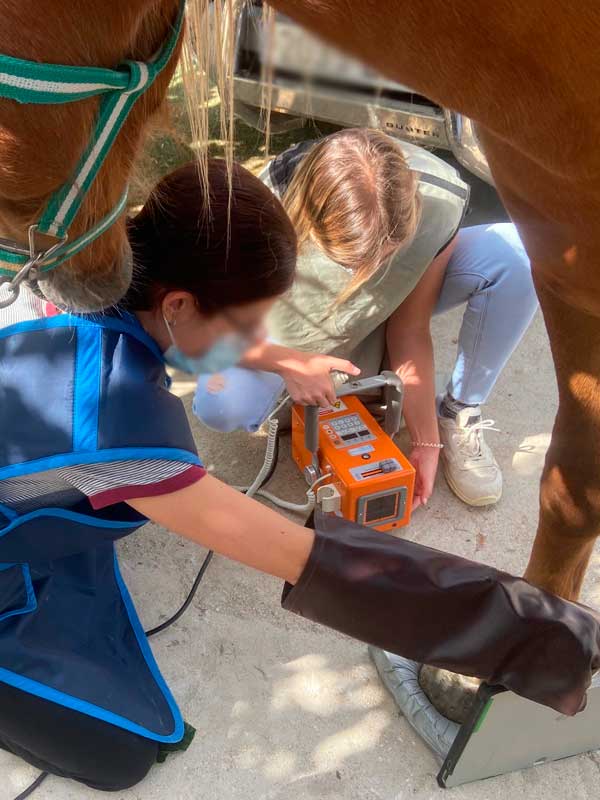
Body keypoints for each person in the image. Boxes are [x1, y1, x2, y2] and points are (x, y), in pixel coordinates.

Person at [0, 159, 597, 795]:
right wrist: (540, 631)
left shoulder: (85, 266)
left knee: (102, 519)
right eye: (251, 325)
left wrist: (286, 359)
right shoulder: (118, 426)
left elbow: (200, 335)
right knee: (120, 758)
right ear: (177, 303)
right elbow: (305, 558)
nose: (260, 343)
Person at [193, 129, 538, 509]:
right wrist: (285, 362)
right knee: (222, 404)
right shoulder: (255, 208)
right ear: (310, 216)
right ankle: (324, 379)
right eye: (352, 262)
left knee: (518, 253)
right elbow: (199, 325)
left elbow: (410, 325)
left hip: (376, 319)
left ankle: (458, 410)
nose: (370, 274)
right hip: (282, 324)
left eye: (388, 257)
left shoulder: (438, 201)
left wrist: (427, 442)